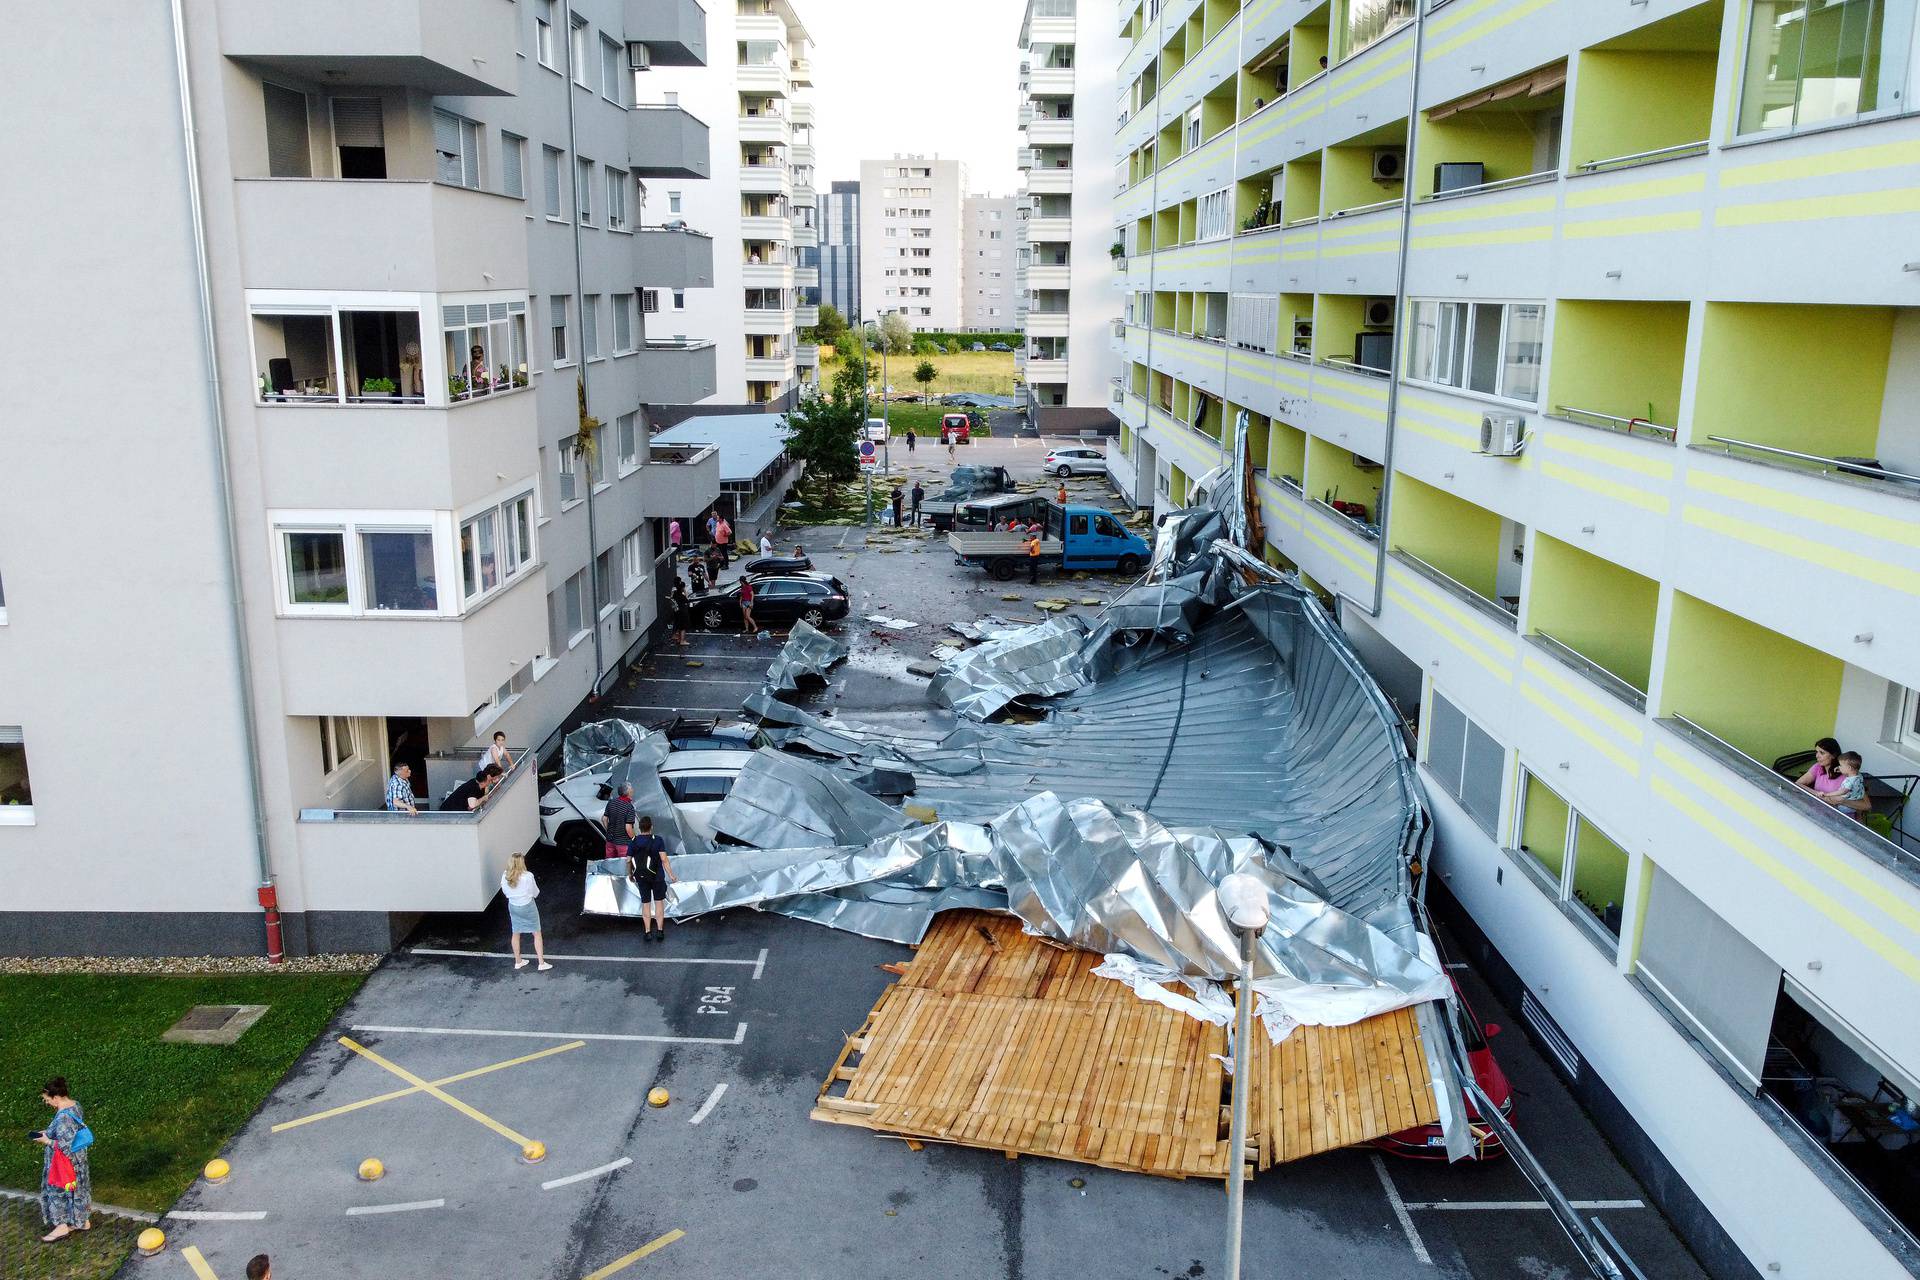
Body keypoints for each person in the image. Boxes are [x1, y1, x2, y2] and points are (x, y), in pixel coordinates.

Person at [33, 1077, 90, 1242]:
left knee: (58, 1189)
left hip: (64, 1162)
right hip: (79, 1159)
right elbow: (71, 1132)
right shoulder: (75, 1105)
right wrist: (49, 1131)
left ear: (56, 1098)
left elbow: (64, 1146)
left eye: (47, 1100)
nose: (48, 1103)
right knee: (77, 1188)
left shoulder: (64, 1117)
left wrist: (46, 1140)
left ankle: (61, 1226)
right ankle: (81, 1221)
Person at [627, 815, 675, 941]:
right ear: (651, 827)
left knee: (646, 904)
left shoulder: (633, 841)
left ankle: (647, 932)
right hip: (657, 877)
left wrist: (630, 874)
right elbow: (664, 859)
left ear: (639, 828)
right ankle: (659, 931)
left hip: (641, 877)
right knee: (659, 903)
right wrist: (671, 875)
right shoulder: (658, 840)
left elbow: (628, 860)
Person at [501, 853, 550, 971]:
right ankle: (541, 963)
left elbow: (505, 891)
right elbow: (535, 893)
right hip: (527, 906)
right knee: (536, 933)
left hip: (513, 906)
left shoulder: (505, 875)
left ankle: (518, 961)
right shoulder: (528, 876)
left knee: (516, 932)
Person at [1824, 752, 1873, 820]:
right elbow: (1852, 772)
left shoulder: (1850, 782)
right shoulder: (1859, 776)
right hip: (1854, 806)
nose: (1839, 767)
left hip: (1844, 807)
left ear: (1849, 768)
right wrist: (1841, 769)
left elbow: (1842, 792)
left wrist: (1828, 794)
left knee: (1830, 808)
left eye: (1840, 765)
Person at [603, 782, 637, 863]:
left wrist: (609, 831)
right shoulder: (629, 807)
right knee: (623, 865)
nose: (633, 790)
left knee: (609, 864)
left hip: (610, 840)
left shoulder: (611, 802)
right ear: (628, 792)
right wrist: (635, 840)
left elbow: (604, 819)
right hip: (623, 843)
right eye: (631, 788)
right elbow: (628, 828)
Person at [671, 578, 690, 647]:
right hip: (682, 612)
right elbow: (687, 600)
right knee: (683, 627)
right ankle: (682, 641)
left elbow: (671, 597)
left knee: (679, 625)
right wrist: (685, 593)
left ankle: (679, 639)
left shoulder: (675, 594)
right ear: (682, 588)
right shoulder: (682, 596)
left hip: (677, 611)